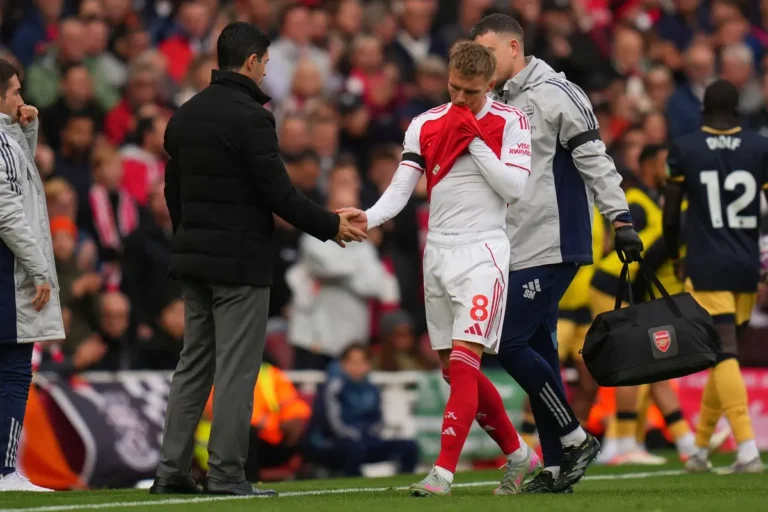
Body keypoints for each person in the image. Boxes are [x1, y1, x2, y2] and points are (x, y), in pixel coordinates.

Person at [151, 22, 366, 497]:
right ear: (251, 62)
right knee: (236, 369)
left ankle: (171, 470)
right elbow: (279, 194)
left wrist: (191, 238)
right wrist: (332, 226)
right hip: (240, 263)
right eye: (266, 62)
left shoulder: (183, 116)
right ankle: (227, 473)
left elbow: (174, 194)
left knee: (193, 365)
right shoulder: (250, 118)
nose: (268, 70)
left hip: (193, 260)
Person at [341, 41, 537, 497]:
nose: (460, 98)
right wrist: (368, 217)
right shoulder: (425, 123)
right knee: (453, 370)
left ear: (490, 84)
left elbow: (516, 188)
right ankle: (519, 454)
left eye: (470, 91)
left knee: (467, 364)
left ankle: (442, 473)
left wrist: (474, 140)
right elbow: (402, 187)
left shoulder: (512, 122)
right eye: (453, 88)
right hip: (439, 251)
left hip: (483, 252)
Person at [471, 14, 644, 493]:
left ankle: (574, 435)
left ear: (512, 47)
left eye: (488, 54)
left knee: (509, 343)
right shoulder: (497, 99)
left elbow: (595, 159)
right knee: (540, 348)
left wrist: (621, 218)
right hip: (516, 244)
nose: (483, 65)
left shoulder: (557, 93)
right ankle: (554, 466)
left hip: (554, 241)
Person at [663, 79, 766, 474]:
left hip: (706, 265)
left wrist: (674, 255)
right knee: (724, 357)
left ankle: (747, 450)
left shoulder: (685, 148)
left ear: (703, 109)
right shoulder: (760, 147)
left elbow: (671, 214)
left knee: (723, 356)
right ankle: (701, 450)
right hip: (745, 266)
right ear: (738, 110)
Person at [0, 59, 64, 492]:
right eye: (15, 91)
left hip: (9, 267)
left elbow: (21, 181)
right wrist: (40, 267)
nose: (22, 99)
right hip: (7, 270)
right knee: (14, 371)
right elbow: (6, 210)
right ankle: (5, 471)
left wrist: (25, 130)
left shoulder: (6, 136)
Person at [304, 344, 419, 478]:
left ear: (368, 365)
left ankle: (405, 486)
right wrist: (354, 436)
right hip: (333, 443)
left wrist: (368, 434)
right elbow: (332, 424)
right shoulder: (333, 387)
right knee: (353, 449)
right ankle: (352, 485)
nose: (356, 367)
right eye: (351, 362)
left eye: (361, 362)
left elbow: (378, 420)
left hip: (365, 441)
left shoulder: (372, 389)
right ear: (342, 364)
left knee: (409, 446)